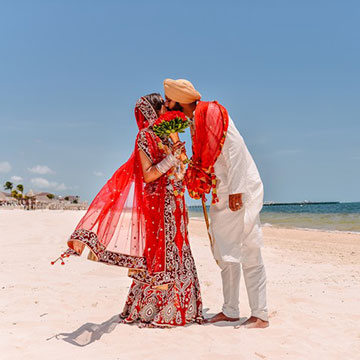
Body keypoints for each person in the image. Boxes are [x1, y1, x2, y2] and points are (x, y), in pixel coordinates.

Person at [60, 93, 203, 328]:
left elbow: (182, 170)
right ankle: (158, 310)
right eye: (163, 106)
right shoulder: (145, 137)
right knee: (161, 251)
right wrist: (171, 159)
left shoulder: (168, 135)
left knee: (179, 247)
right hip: (159, 205)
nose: (167, 109)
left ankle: (184, 309)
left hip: (177, 203)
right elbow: (148, 174)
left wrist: (180, 153)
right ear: (154, 111)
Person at [163, 79, 269, 328]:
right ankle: (230, 310)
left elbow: (236, 151)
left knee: (249, 249)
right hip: (222, 191)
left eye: (169, 100)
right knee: (225, 252)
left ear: (179, 100)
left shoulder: (212, 112)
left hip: (239, 189)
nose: (166, 104)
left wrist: (237, 190)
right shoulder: (194, 121)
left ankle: (260, 315)